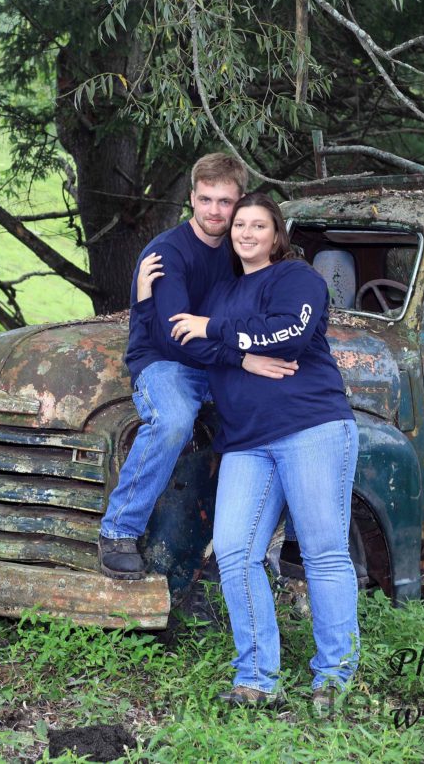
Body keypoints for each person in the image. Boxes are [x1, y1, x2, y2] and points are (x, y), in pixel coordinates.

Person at [169, 192, 360, 708]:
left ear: (276, 235)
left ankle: (334, 677)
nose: (246, 233)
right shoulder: (222, 291)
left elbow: (289, 334)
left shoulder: (297, 278)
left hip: (310, 427)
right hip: (246, 441)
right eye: (239, 225)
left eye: (258, 225)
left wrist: (217, 331)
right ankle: (256, 677)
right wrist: (242, 357)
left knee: (322, 551)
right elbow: (189, 341)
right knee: (235, 552)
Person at [98, 155, 297, 579]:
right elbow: (176, 336)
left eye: (225, 202)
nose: (214, 211)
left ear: (241, 201)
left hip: (218, 363)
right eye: (205, 199)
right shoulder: (168, 252)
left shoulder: (239, 247)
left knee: (288, 410)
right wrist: (241, 358)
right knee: (173, 421)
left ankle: (269, 543)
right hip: (166, 362)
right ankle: (118, 531)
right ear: (191, 198)